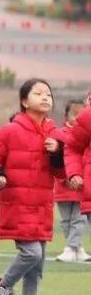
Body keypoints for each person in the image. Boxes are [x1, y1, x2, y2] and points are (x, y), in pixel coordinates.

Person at [0, 78, 64, 295]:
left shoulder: (55, 134)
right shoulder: (9, 131)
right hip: (17, 203)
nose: (45, 97)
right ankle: (2, 285)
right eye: (38, 93)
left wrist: (57, 152)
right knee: (32, 254)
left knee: (37, 267)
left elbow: (61, 173)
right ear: (24, 101)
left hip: (42, 206)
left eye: (48, 94)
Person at [54, 99, 88, 262]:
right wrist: (64, 178)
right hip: (64, 187)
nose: (77, 118)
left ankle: (71, 247)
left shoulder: (85, 133)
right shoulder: (59, 135)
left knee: (79, 219)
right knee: (66, 220)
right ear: (66, 116)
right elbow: (56, 161)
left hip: (82, 185)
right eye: (74, 114)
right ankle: (77, 248)